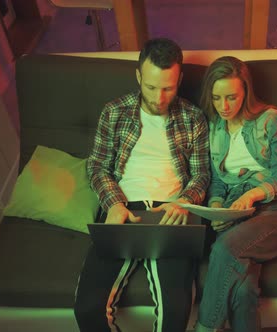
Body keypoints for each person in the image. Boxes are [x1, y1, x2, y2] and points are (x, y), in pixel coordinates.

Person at [74, 38, 210, 332]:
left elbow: (201, 175)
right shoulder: (114, 112)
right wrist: (114, 204)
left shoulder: (193, 118)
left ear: (180, 80)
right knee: (88, 309)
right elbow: (97, 166)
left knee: (175, 313)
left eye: (168, 88)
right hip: (123, 210)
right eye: (150, 87)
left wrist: (183, 201)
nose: (159, 98)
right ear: (138, 76)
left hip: (171, 214)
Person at [195, 56, 277, 332]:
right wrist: (217, 206)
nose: (224, 106)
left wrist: (253, 194)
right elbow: (218, 180)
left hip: (274, 211)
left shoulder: (271, 120)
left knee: (225, 248)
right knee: (243, 292)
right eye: (217, 98)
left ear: (246, 91)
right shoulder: (214, 126)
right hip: (234, 213)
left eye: (232, 97)